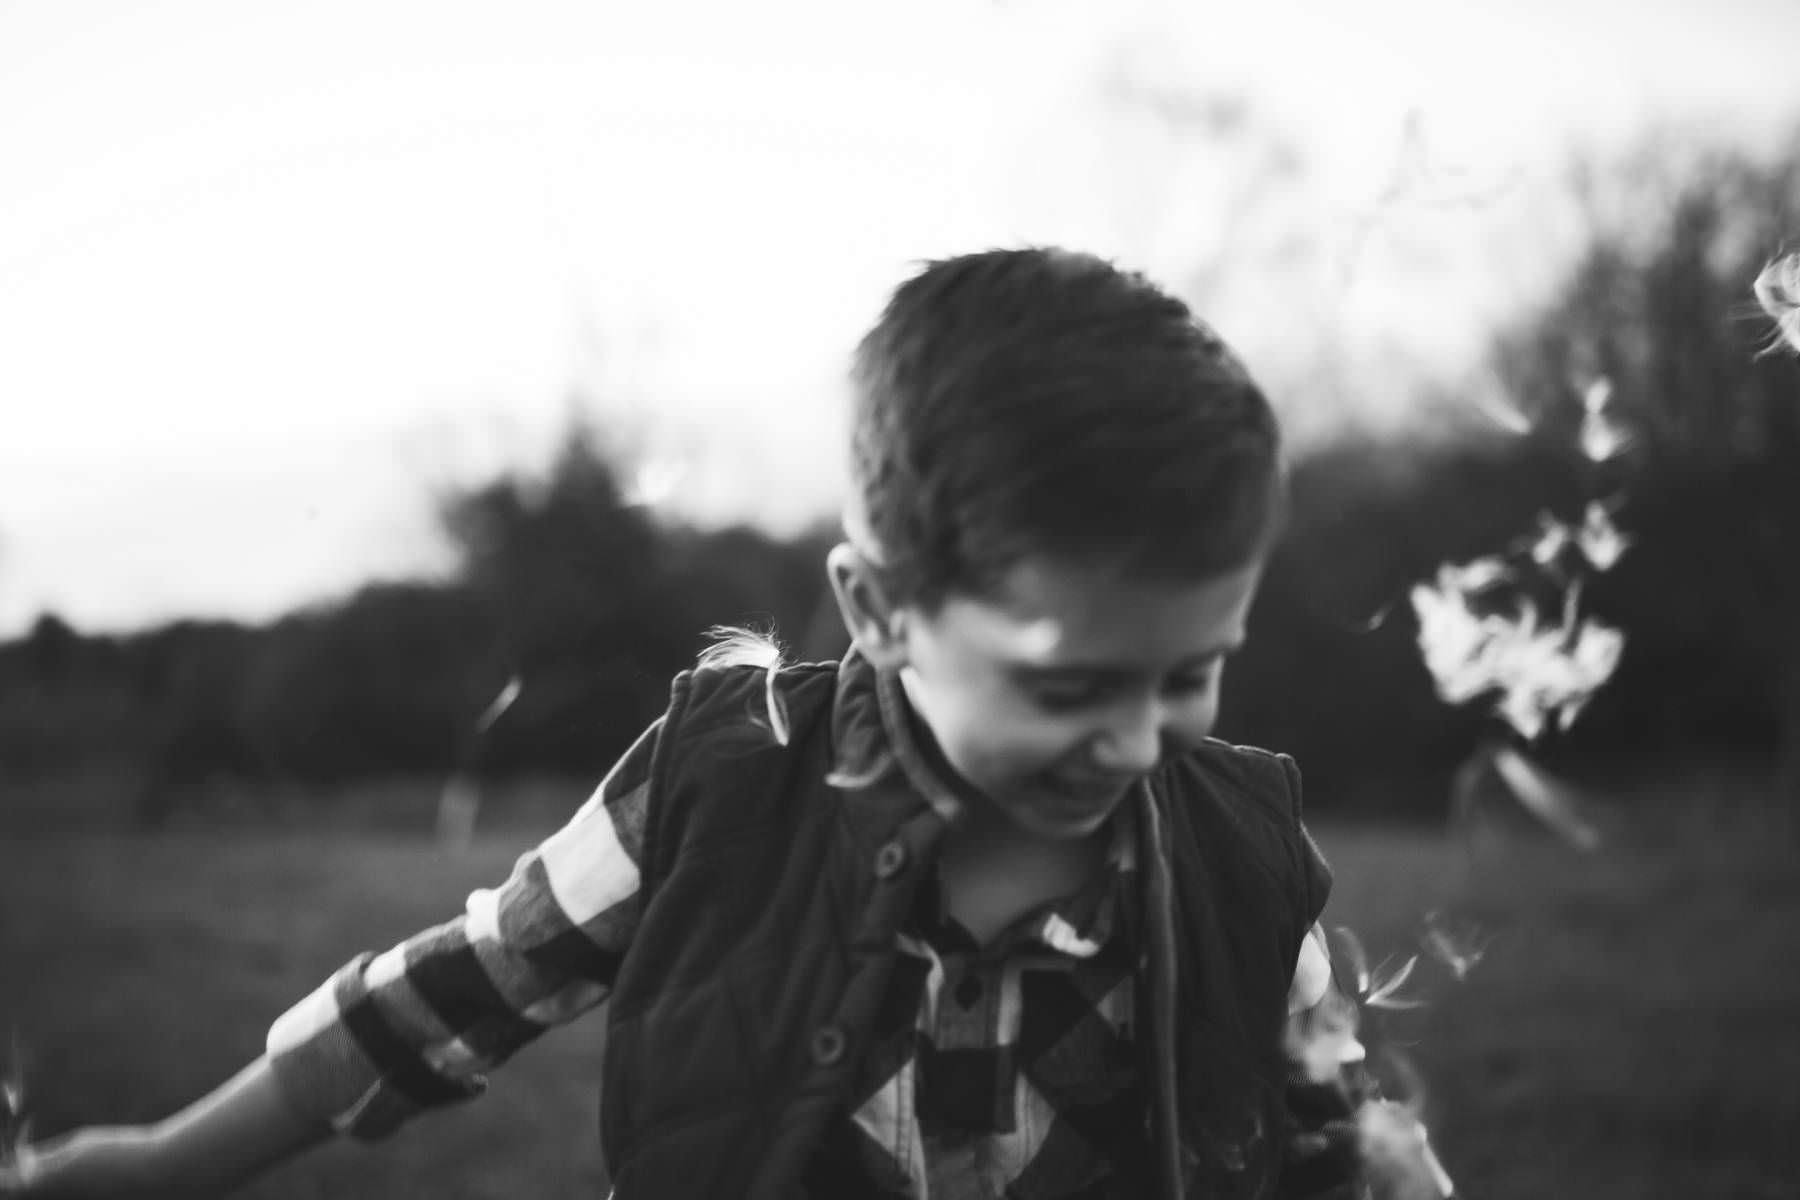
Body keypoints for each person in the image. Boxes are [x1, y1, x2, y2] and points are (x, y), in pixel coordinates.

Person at [1, 247, 1363, 1199]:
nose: (1134, 740)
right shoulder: (727, 788)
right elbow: (459, 990)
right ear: (881, 614)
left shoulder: (1242, 855)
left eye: (1190, 671)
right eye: (1068, 688)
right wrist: (167, 1163)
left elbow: (1338, 1144)